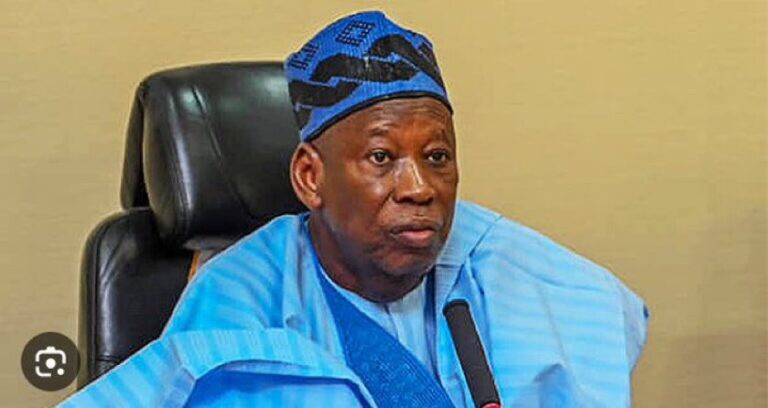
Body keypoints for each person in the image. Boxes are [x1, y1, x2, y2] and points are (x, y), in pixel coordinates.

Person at [60, 11, 648, 407]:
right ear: (310, 176)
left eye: (437, 156)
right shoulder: (240, 295)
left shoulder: (508, 268)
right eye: (381, 157)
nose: (419, 188)